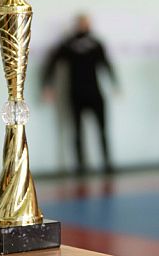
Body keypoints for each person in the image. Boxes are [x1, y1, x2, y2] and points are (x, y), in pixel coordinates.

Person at [42, 14, 118, 175]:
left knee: (102, 129)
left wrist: (114, 84)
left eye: (87, 23)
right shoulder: (68, 44)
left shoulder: (96, 44)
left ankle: (107, 163)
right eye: (82, 23)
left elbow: (106, 64)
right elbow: (52, 64)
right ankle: (81, 165)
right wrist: (48, 86)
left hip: (95, 92)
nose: (85, 26)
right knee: (77, 130)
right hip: (75, 92)